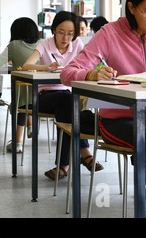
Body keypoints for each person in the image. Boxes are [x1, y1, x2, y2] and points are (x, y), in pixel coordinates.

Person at [60, 0, 146, 218]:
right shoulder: (110, 33)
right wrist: (92, 74)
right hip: (116, 120)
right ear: (132, 8)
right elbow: (67, 73)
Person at [22, 11, 103, 180]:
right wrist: (48, 67)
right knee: (69, 102)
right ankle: (84, 152)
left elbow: (91, 63)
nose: (65, 37)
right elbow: (26, 65)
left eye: (70, 34)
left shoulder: (77, 44)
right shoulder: (45, 44)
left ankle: (63, 166)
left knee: (65, 110)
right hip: (45, 96)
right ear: (53, 30)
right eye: (61, 32)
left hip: (66, 98)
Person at [0, 17, 40, 153]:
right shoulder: (43, 44)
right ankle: (31, 128)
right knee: (29, 95)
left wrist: (15, 66)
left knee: (21, 100)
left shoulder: (15, 45)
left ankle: (17, 143)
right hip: (43, 95)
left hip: (23, 98)